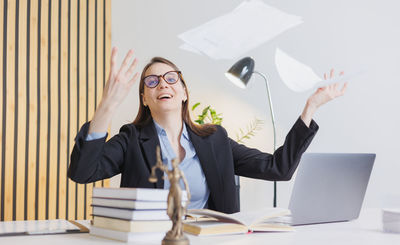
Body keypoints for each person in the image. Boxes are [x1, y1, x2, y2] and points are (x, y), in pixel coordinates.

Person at [68, 47, 347, 214]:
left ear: (184, 91)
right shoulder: (130, 139)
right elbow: (82, 172)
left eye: (171, 78)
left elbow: (278, 169)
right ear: (144, 97)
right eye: (152, 81)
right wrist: (107, 105)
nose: (162, 84)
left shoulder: (215, 139)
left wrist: (310, 107)